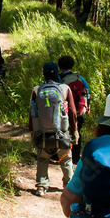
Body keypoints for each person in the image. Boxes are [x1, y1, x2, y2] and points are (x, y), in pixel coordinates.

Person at [29, 61, 78, 197]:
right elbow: (72, 113)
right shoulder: (65, 89)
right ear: (58, 73)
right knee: (66, 159)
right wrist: (74, 131)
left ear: (43, 74)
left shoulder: (37, 89)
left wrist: (33, 132)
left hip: (42, 133)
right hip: (62, 132)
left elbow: (32, 113)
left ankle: (41, 186)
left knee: (43, 159)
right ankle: (69, 187)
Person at [58, 55, 92, 165]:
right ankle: (76, 158)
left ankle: (62, 156)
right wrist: (87, 106)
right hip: (79, 111)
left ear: (60, 66)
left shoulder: (59, 79)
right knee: (78, 132)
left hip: (65, 112)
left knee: (63, 132)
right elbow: (87, 92)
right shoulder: (80, 78)